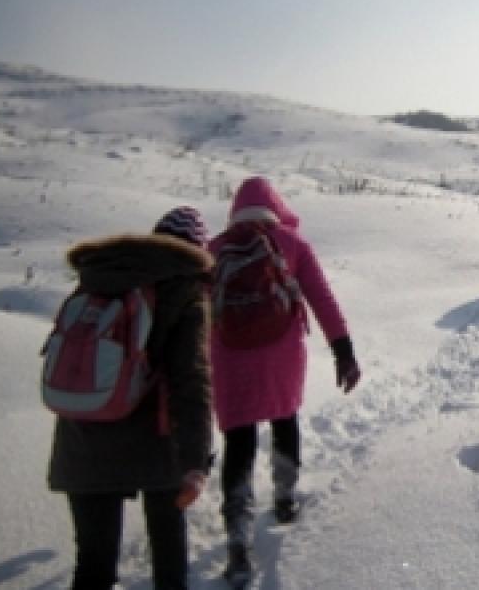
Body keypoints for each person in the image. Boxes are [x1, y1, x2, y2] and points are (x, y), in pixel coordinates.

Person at [47, 206, 214, 590]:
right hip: (156, 444)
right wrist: (195, 461)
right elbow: (192, 379)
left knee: (93, 565)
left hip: (82, 433)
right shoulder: (185, 291)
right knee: (168, 556)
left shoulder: (98, 278)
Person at [210, 176, 361, 584]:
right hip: (282, 355)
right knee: (284, 420)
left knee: (238, 444)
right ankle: (284, 497)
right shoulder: (293, 246)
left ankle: (238, 541)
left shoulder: (215, 249)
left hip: (229, 360)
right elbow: (322, 300)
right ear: (277, 206)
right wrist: (343, 351)